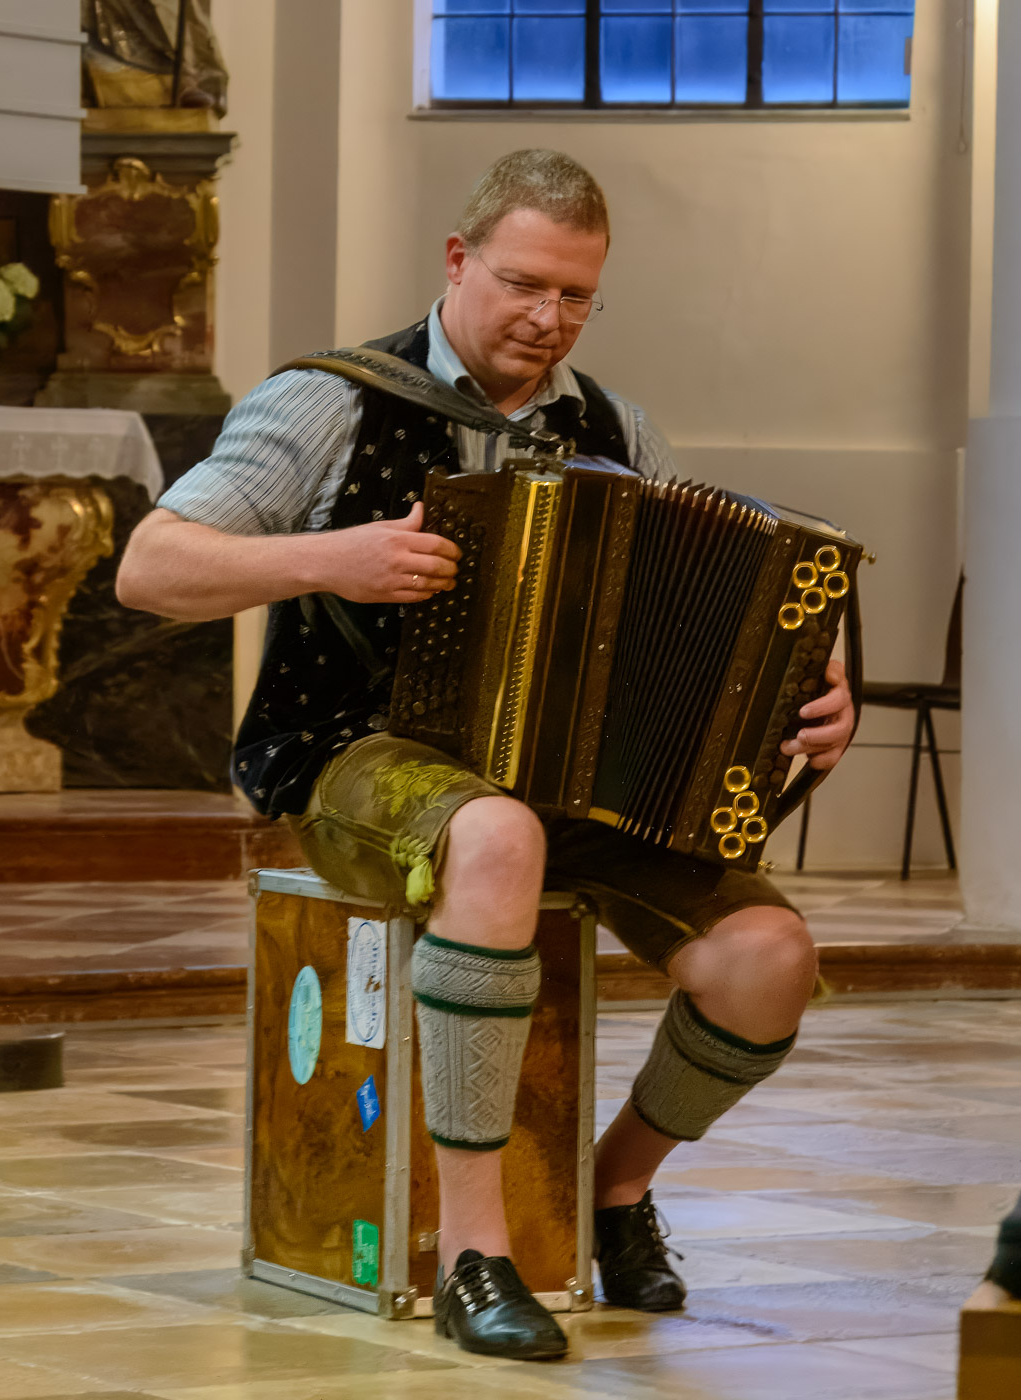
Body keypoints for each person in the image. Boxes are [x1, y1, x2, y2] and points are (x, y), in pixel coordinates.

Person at [117, 149, 855, 1362]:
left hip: (585, 787)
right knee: (495, 833)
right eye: (522, 284)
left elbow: (711, 628)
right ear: (459, 261)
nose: (546, 318)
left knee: (768, 958)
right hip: (353, 750)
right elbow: (149, 568)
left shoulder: (616, 428)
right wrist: (331, 557)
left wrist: (813, 696)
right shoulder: (330, 399)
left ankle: (612, 1187)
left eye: (575, 295)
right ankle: (476, 1250)